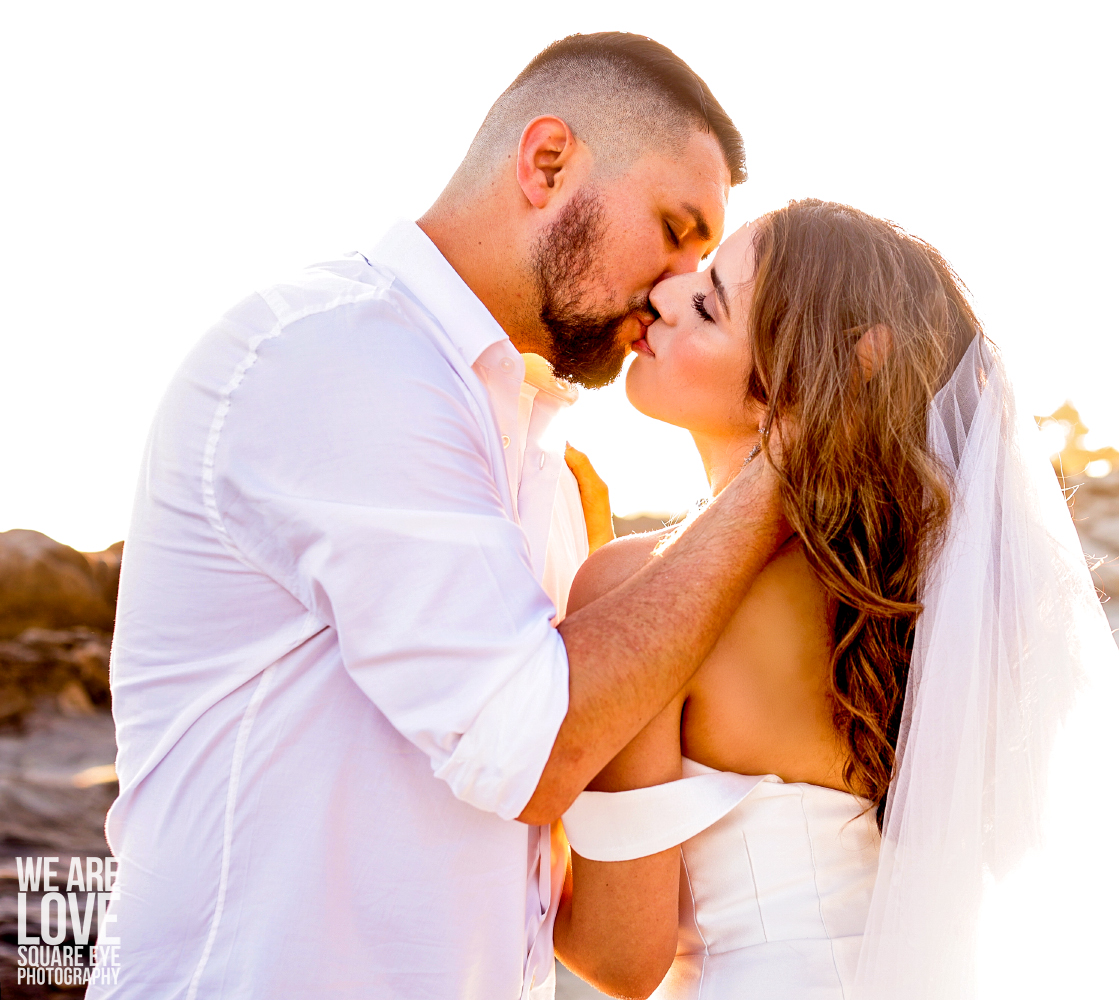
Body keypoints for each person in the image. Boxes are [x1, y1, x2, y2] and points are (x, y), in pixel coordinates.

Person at [96, 33, 781, 1000]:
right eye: (674, 228)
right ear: (548, 164)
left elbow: (602, 945)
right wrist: (786, 475)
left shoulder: (540, 459)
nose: (676, 286)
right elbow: (533, 749)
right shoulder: (338, 355)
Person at [551, 200, 1119, 999]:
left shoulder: (636, 590)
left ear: (803, 381)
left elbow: (622, 957)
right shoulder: (924, 598)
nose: (666, 296)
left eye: (708, 305)